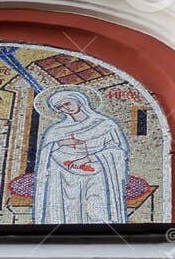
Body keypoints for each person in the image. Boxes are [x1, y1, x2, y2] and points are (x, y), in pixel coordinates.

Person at [32, 88, 129, 224]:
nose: (66, 108)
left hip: (98, 176)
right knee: (70, 212)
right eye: (61, 107)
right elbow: (45, 155)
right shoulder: (56, 131)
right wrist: (61, 142)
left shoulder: (106, 125)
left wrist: (88, 159)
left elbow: (118, 151)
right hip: (65, 180)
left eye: (68, 103)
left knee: (97, 211)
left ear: (79, 101)